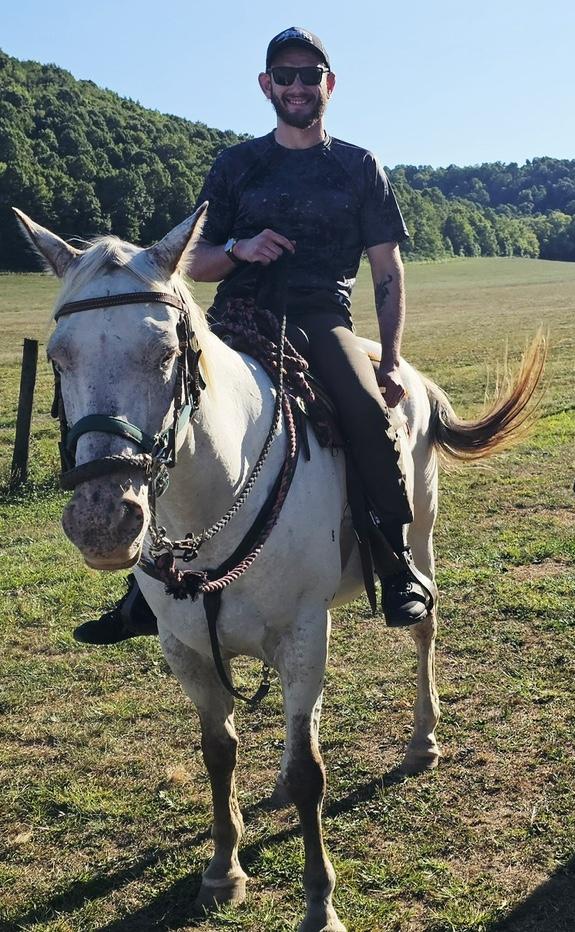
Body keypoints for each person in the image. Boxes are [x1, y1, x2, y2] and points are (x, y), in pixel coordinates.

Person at [74, 26, 432, 644]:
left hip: (321, 318)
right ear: (267, 85)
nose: (297, 86)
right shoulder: (238, 165)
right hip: (234, 317)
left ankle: (395, 561)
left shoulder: (357, 167)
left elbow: (387, 269)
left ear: (330, 85)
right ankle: (142, 587)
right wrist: (241, 249)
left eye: (309, 75)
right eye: (285, 76)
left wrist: (393, 360)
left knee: (369, 417)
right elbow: (195, 261)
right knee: (165, 417)